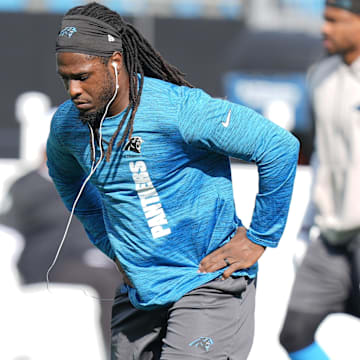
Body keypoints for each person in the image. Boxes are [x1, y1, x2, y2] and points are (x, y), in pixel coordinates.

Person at [47, 2, 299, 359]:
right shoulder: (68, 126)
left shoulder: (179, 110)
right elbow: (67, 179)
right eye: (66, 79)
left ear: (115, 62)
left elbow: (278, 147)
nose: (73, 90)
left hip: (206, 282)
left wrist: (260, 237)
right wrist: (110, 244)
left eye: (83, 76)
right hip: (140, 292)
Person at [279, 1, 360, 359]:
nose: (324, 29)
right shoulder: (320, 76)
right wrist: (307, 225)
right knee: (294, 334)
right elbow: (324, 155)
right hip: (329, 237)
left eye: (334, 21)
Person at [0, 145, 122, 353]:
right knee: (107, 282)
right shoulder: (27, 185)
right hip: (48, 263)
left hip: (88, 258)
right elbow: (8, 229)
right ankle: (115, 351)